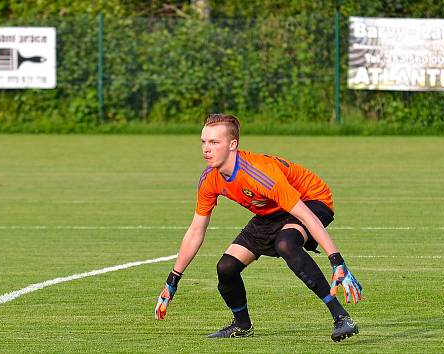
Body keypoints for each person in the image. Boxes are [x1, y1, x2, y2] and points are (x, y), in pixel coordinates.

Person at [154, 113, 363, 342]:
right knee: (226, 268)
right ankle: (242, 326)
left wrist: (337, 261)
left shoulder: (259, 174)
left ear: (232, 145)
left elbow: (307, 216)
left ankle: (342, 318)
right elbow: (196, 230)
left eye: (214, 142)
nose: (206, 148)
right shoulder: (209, 179)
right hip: (271, 211)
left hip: (312, 200)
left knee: (286, 243)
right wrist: (172, 280)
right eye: (204, 142)